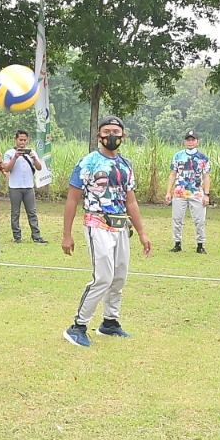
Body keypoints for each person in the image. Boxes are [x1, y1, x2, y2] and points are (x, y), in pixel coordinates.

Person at [62, 115, 151, 346]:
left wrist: (142, 233)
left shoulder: (125, 164)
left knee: (119, 276)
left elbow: (131, 201)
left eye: (116, 131)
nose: (112, 136)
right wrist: (67, 234)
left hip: (120, 225)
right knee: (103, 277)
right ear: (98, 135)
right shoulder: (88, 162)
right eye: (107, 131)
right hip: (96, 222)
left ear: (123, 135)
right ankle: (78, 326)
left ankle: (110, 322)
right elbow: (72, 199)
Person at [164, 131, 210, 253]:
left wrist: (206, 194)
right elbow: (173, 175)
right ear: (185, 141)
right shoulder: (178, 156)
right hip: (180, 191)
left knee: (199, 220)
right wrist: (168, 192)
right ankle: (177, 243)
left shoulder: (203, 157)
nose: (190, 142)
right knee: (177, 219)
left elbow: (206, 177)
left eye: (192, 140)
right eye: (188, 140)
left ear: (197, 142)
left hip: (196, 191)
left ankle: (200, 244)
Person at [3, 129, 46, 244]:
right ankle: (17, 237)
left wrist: (34, 158)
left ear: (28, 140)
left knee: (32, 212)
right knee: (15, 212)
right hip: (15, 187)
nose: (22, 142)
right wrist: (15, 157)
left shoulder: (32, 152)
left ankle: (36, 236)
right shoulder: (9, 153)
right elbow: (6, 168)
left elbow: (39, 167)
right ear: (16, 140)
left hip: (28, 187)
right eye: (20, 140)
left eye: (24, 140)